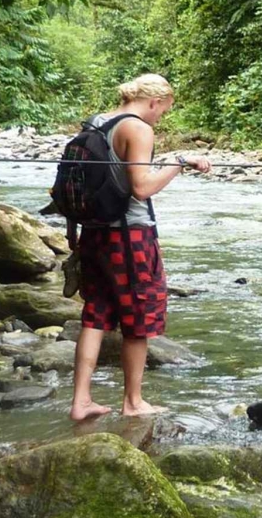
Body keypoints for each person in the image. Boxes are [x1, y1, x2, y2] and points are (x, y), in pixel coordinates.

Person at [69, 74, 211, 423]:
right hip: (130, 235)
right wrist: (178, 164)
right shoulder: (138, 128)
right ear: (153, 102)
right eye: (163, 111)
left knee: (95, 314)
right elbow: (141, 188)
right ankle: (133, 401)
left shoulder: (97, 122)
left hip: (94, 232)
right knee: (139, 317)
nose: (160, 118)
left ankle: (81, 401)